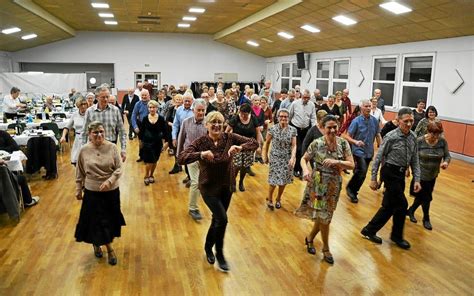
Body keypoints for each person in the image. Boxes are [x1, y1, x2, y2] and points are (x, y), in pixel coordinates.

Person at [178, 111, 258, 273]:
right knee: (223, 219)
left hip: (226, 186)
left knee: (217, 219)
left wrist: (240, 147)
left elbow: (254, 142)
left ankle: (208, 247)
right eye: (213, 122)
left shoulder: (230, 138)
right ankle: (219, 253)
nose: (216, 125)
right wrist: (200, 154)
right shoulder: (201, 142)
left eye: (220, 122)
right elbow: (181, 158)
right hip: (208, 188)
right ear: (206, 125)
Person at [296, 115, 354, 264]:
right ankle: (326, 248)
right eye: (329, 127)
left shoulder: (343, 144)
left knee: (324, 216)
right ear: (322, 128)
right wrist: (305, 170)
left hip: (334, 183)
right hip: (318, 182)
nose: (333, 130)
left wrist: (337, 161)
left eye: (335, 127)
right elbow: (304, 158)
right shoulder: (317, 143)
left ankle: (309, 239)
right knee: (325, 217)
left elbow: (351, 164)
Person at [361, 108, 421, 250]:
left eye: (411, 120)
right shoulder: (391, 136)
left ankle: (369, 230)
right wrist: (373, 178)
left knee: (388, 206)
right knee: (402, 204)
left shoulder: (413, 137)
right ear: (398, 120)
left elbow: (415, 160)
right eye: (405, 121)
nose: (409, 123)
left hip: (400, 175)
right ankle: (397, 236)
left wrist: (417, 179)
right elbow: (378, 158)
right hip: (389, 172)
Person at [75, 121, 125, 266]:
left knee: (108, 221)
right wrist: (78, 188)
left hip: (111, 191)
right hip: (92, 191)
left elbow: (119, 169)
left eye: (102, 131)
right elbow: (80, 171)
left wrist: (109, 181)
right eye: (95, 132)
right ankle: (108, 249)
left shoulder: (112, 147)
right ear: (89, 134)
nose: (99, 135)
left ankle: (101, 244)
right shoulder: (84, 150)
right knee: (96, 221)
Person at [407, 121, 450, 230]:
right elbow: (411, 156)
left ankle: (411, 211)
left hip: (433, 175)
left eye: (438, 134)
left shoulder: (442, 142)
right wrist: (407, 169)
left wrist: (445, 162)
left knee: (422, 196)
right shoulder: (420, 141)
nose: (435, 136)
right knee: (427, 197)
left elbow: (447, 156)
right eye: (433, 134)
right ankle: (426, 218)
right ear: (428, 131)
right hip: (420, 174)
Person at [343, 100, 381, 203]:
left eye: (370, 106)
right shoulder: (356, 121)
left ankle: (353, 189)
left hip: (369, 152)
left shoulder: (374, 121)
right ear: (361, 108)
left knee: (360, 173)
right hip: (358, 151)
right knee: (362, 172)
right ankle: (351, 190)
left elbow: (378, 134)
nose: (368, 108)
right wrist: (355, 142)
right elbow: (346, 136)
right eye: (366, 106)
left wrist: (381, 147)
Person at [176, 99, 208, 221]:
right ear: (193, 110)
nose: (201, 113)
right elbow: (181, 138)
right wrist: (179, 156)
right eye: (198, 110)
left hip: (205, 157)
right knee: (195, 182)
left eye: (203, 110)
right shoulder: (186, 122)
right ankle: (193, 208)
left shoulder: (208, 123)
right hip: (191, 156)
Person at [82, 84, 127, 162]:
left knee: (110, 171)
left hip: (110, 146)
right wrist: (83, 149)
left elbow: (122, 131)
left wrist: (123, 149)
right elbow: (84, 132)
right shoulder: (89, 111)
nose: (106, 99)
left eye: (107, 96)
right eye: (103, 97)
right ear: (97, 97)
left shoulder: (115, 110)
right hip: (94, 147)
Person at [262, 108, 296, 210]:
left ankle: (278, 199)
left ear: (288, 118)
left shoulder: (293, 130)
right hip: (275, 157)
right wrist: (265, 155)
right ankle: (270, 199)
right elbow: (267, 143)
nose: (283, 118)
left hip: (287, 158)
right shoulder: (272, 129)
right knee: (273, 180)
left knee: (283, 180)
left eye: (285, 116)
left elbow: (294, 145)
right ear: (278, 117)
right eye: (281, 116)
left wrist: (292, 157)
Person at [226, 103, 262, 192]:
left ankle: (241, 182)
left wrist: (258, 145)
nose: (243, 116)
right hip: (236, 146)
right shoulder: (235, 118)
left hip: (249, 146)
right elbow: (227, 131)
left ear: (249, 113)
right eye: (241, 113)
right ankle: (232, 182)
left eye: (245, 114)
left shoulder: (253, 118)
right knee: (236, 165)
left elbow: (258, 133)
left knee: (245, 166)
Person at [288, 89, 316, 178]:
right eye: (304, 97)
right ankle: (296, 169)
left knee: (304, 150)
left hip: (306, 130)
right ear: (301, 96)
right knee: (298, 149)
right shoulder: (295, 103)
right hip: (295, 128)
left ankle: (301, 169)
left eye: (308, 98)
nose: (306, 99)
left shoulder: (311, 105)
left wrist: (314, 129)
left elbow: (313, 118)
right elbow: (290, 115)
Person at [139, 100, 167, 185]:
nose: (151, 109)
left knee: (155, 160)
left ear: (157, 108)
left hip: (157, 143)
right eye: (150, 107)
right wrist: (140, 142)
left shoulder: (161, 118)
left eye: (153, 107)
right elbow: (141, 131)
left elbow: (165, 131)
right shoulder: (145, 118)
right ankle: (146, 175)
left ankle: (151, 175)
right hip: (147, 143)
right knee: (148, 161)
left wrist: (165, 144)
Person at [170, 92, 194, 174]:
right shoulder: (179, 110)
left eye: (189, 101)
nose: (187, 103)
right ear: (183, 101)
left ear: (192, 101)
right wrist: (174, 137)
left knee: (190, 156)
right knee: (179, 154)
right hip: (181, 135)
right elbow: (175, 125)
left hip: (192, 136)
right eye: (185, 101)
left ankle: (189, 176)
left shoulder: (195, 110)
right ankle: (179, 168)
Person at [60, 96, 88, 165]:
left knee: (87, 161)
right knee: (76, 161)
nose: (83, 106)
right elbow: (67, 127)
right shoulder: (75, 115)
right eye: (81, 104)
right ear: (78, 105)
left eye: (85, 104)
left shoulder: (90, 113)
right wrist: (63, 136)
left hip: (88, 139)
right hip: (78, 139)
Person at [132, 89, 151, 162]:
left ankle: (148, 156)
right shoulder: (138, 104)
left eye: (145, 95)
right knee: (141, 142)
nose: (144, 96)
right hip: (141, 124)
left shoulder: (152, 103)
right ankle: (141, 156)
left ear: (148, 95)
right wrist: (135, 126)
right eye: (142, 95)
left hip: (150, 124)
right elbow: (133, 115)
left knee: (149, 142)